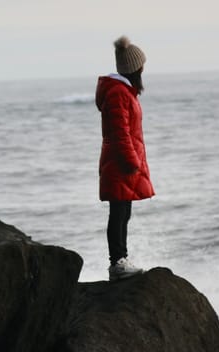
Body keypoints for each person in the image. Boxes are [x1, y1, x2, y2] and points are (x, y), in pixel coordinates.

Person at [95, 35, 154, 281]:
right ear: (135, 68)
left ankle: (121, 260)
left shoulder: (124, 91)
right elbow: (120, 133)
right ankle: (117, 263)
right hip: (121, 164)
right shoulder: (119, 93)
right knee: (118, 213)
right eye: (141, 66)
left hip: (122, 162)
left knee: (123, 212)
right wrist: (132, 162)